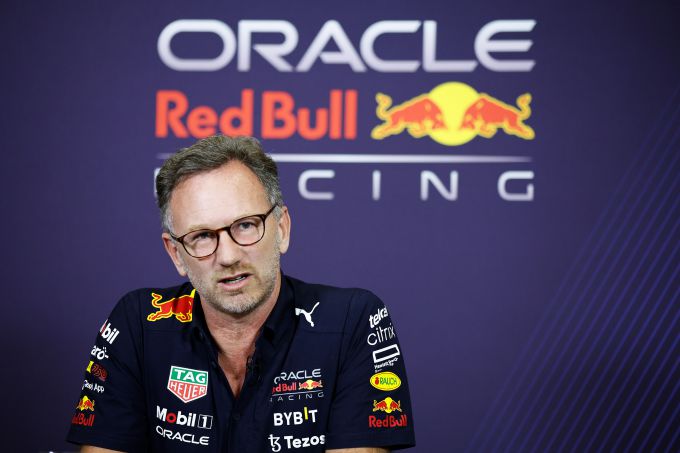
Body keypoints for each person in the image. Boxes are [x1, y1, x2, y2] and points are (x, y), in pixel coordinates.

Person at [67, 135, 415, 452]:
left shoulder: (352, 321)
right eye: (202, 236)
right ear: (176, 254)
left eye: (245, 225)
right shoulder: (138, 324)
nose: (229, 256)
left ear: (282, 229)